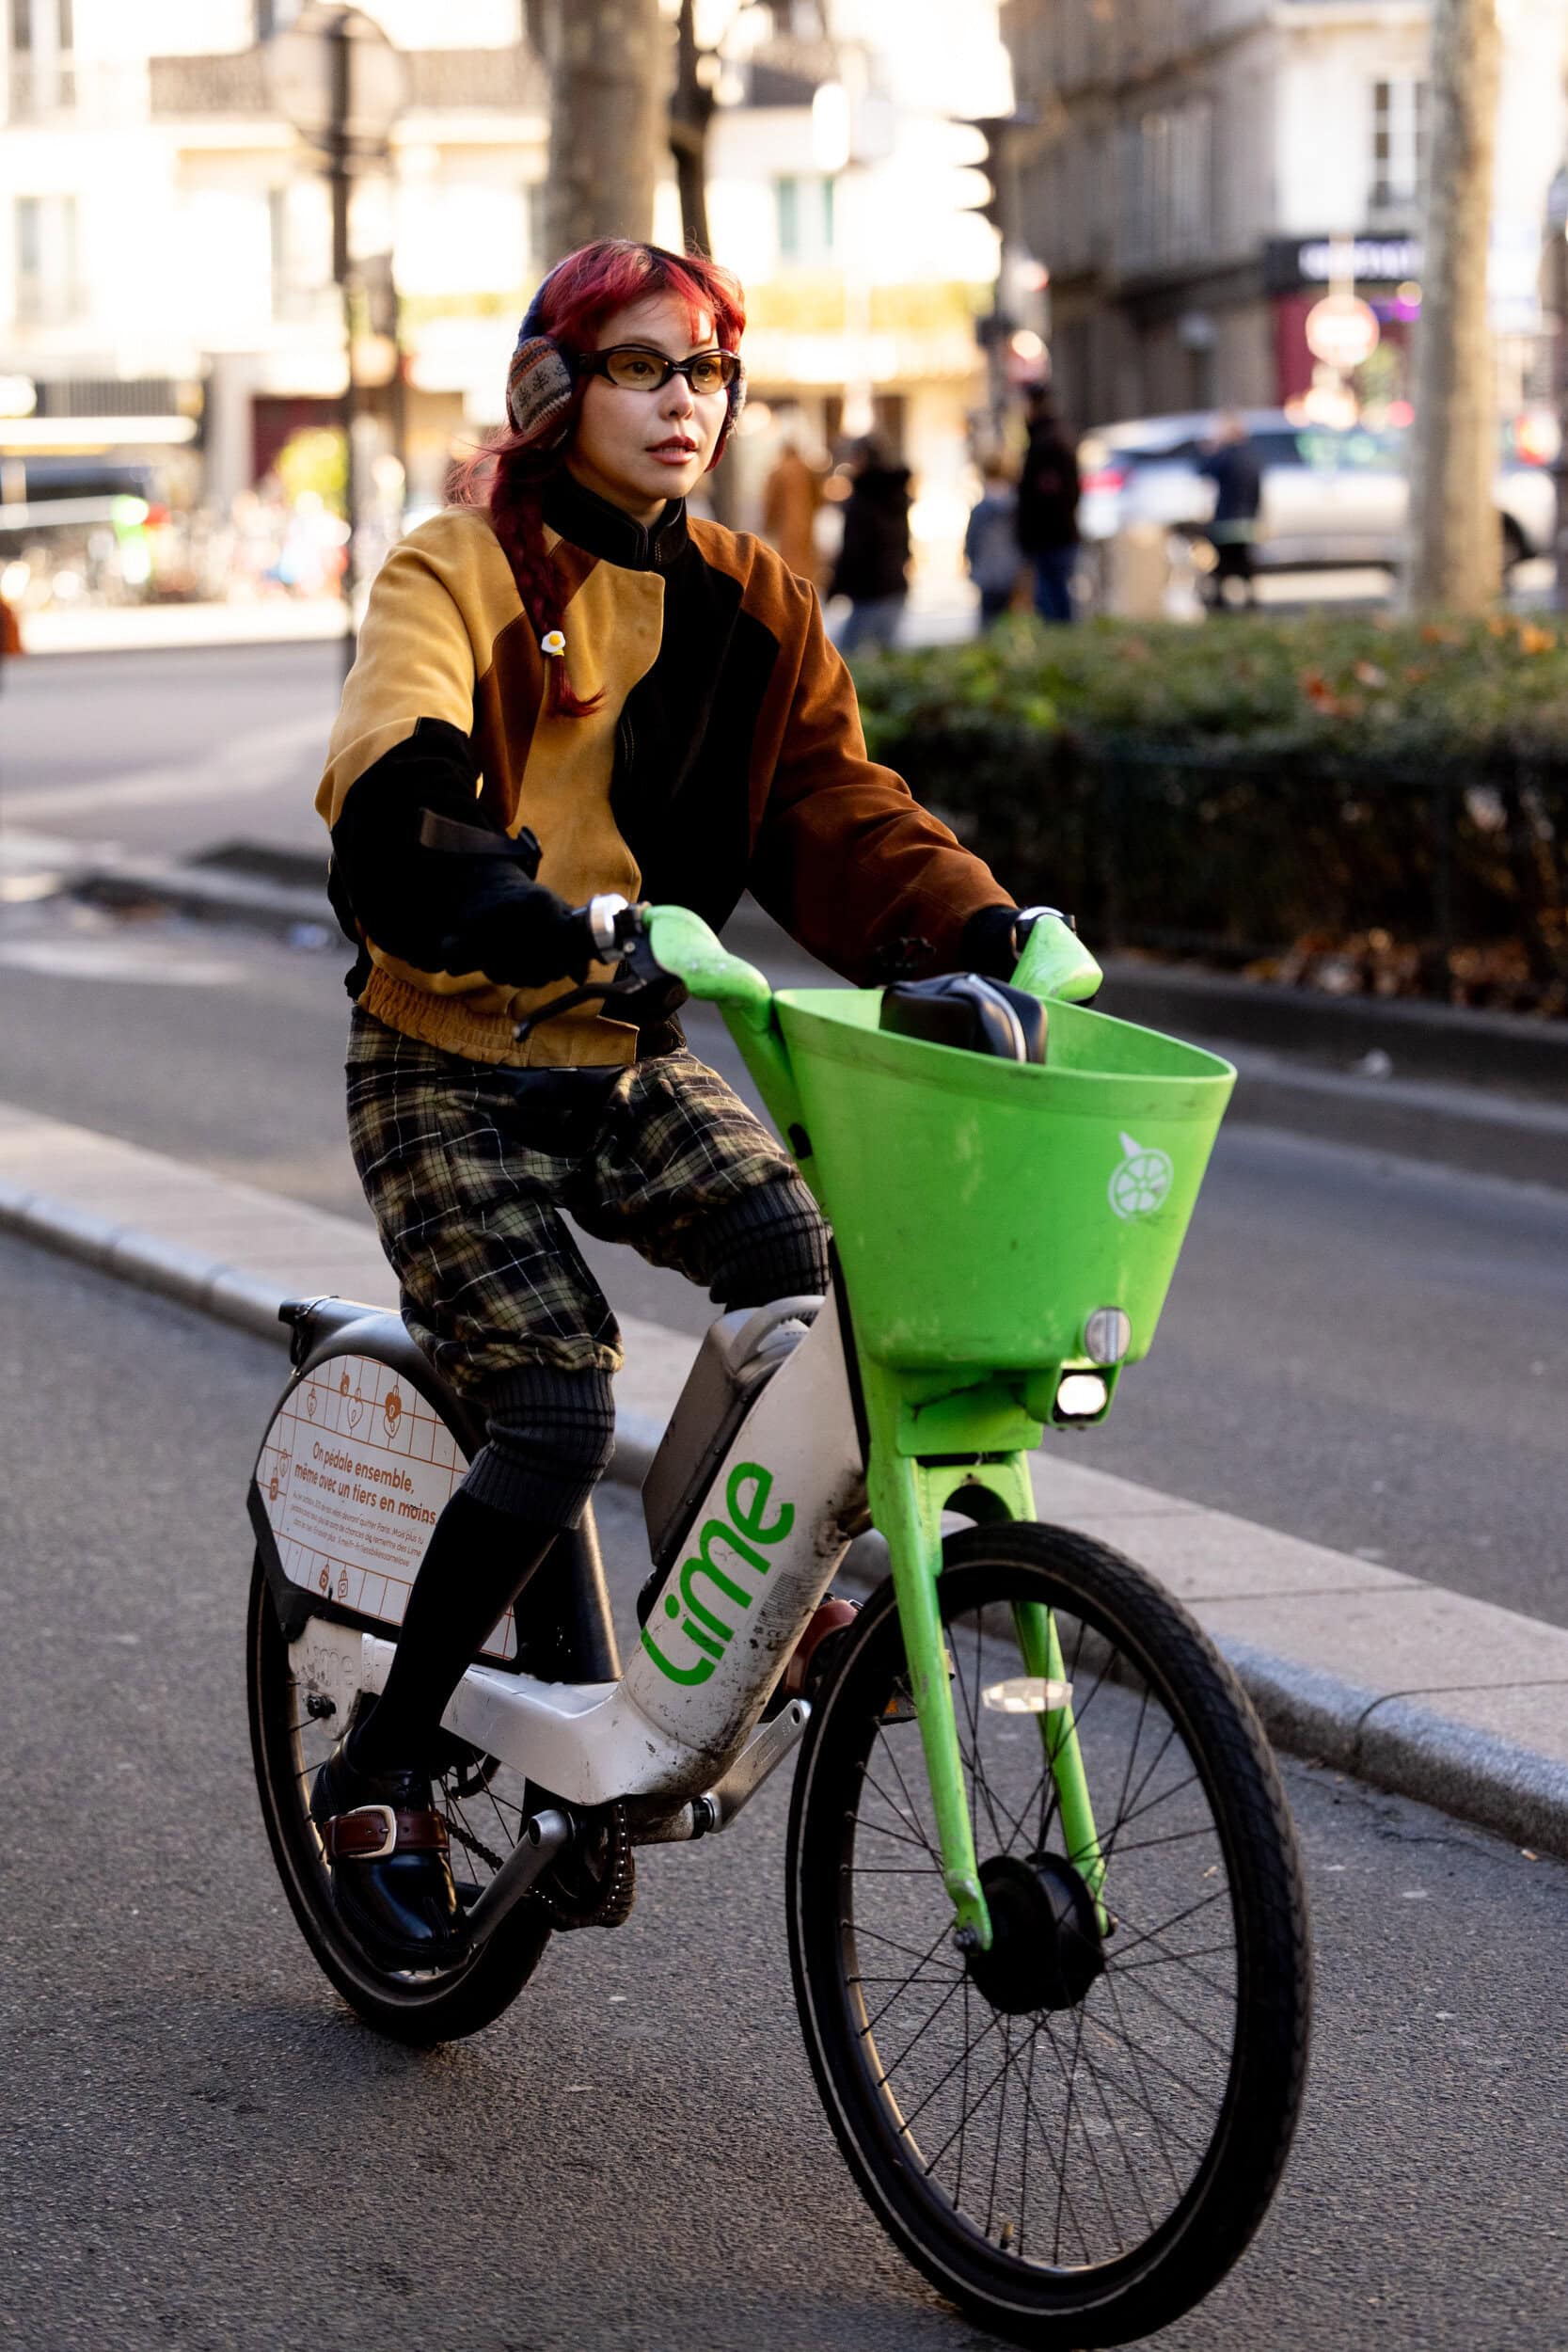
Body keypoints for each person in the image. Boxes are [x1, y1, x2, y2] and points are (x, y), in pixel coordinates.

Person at [309, 239, 1032, 1970]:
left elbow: (833, 806)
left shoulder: (751, 600)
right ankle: (386, 1762)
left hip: (623, 1059)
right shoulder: (453, 563)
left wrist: (988, 922)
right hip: (447, 1052)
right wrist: (538, 922)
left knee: (815, 1280)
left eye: (706, 371)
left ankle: (710, 1620)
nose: (683, 402)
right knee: (553, 1409)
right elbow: (392, 792)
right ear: (555, 388)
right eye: (641, 367)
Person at [827, 433, 911, 655]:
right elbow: (904, 541)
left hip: (869, 590)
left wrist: (834, 588)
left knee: (841, 659)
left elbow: (853, 551)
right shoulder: (895, 494)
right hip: (894, 585)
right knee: (888, 658)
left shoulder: (861, 501)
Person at [1016, 390, 1081, 624]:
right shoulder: (1059, 441)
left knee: (1051, 597)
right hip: (1059, 534)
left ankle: (1061, 638)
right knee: (1055, 592)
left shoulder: (1046, 446)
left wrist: (1028, 535)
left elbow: (1043, 498)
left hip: (1049, 536)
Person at [1197, 411, 1262, 612]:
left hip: (1227, 519)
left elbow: (1203, 470)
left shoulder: (1226, 456)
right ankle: (1249, 598)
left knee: (1223, 562)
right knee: (1243, 561)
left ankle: (1219, 601)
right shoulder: (1252, 457)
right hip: (1247, 520)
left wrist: (1210, 450)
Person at [963, 461, 1022, 628]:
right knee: (1012, 623)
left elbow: (971, 541)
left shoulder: (980, 509)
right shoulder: (1015, 505)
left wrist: (972, 565)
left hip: (988, 572)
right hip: (1012, 570)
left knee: (989, 622)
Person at [760, 432, 823, 583]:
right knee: (806, 564)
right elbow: (819, 498)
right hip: (806, 524)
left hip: (786, 527)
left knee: (789, 567)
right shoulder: (806, 469)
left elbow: (770, 502)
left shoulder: (779, 472)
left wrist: (768, 525)